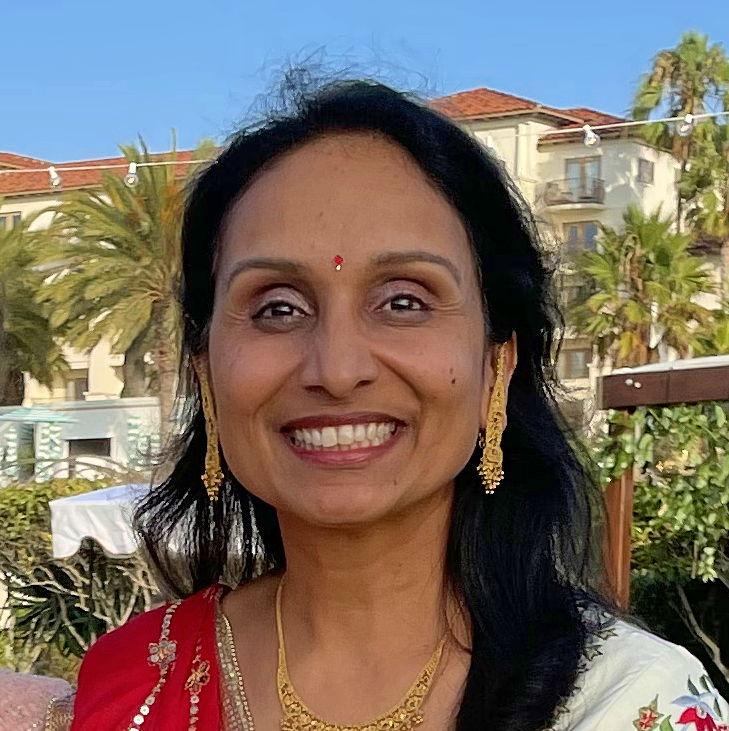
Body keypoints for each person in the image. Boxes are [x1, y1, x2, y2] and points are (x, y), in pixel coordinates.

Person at [57, 78, 728, 730]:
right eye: (277, 308)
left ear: (496, 365)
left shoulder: (630, 699)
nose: (337, 369)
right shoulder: (133, 684)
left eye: (403, 301)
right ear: (205, 373)